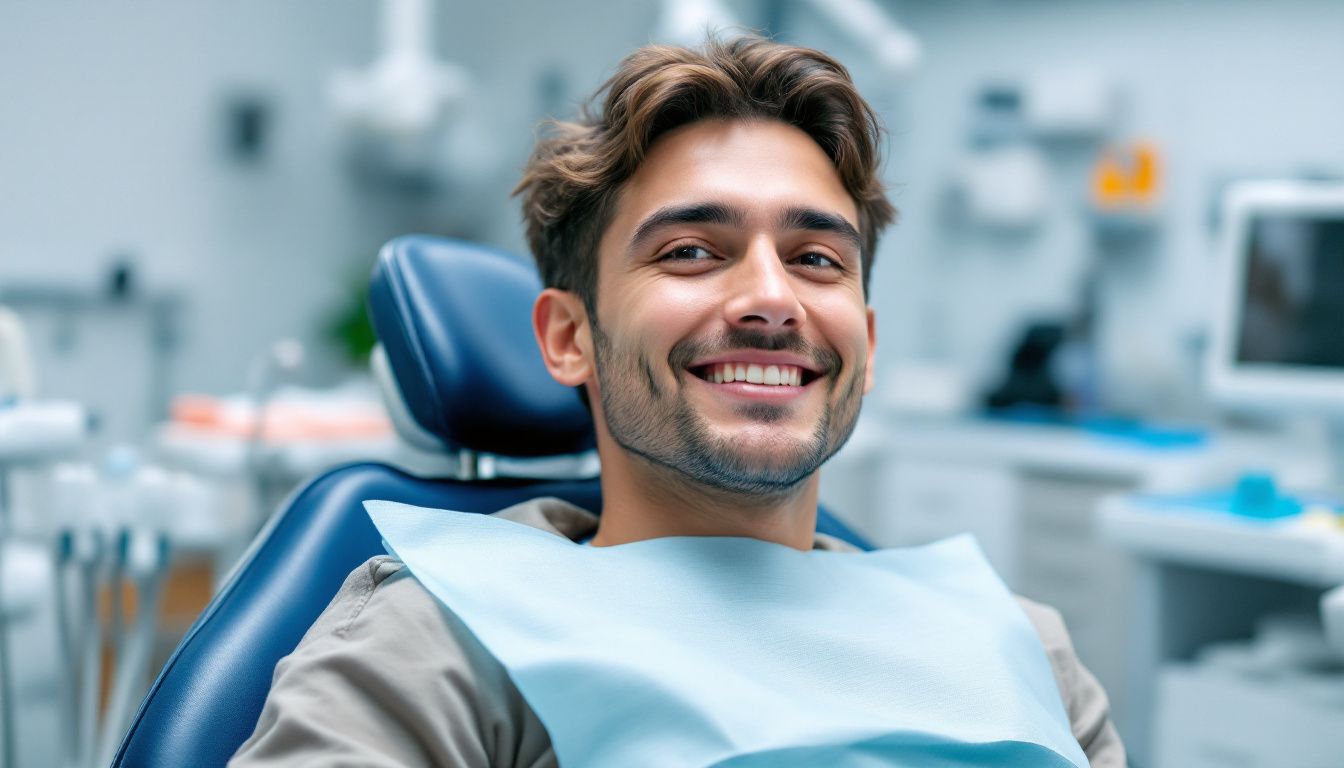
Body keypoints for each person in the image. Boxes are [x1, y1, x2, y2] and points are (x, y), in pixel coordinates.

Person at [230, 36, 1126, 767]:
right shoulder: (439, 643)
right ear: (568, 338)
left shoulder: (1021, 647)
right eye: (693, 251)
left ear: (868, 344)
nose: (772, 298)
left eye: (818, 259)